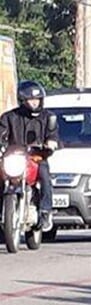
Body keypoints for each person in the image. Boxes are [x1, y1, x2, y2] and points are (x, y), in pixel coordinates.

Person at [0, 80, 59, 231]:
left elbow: (53, 136)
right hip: (13, 158)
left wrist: (51, 143)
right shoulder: (9, 117)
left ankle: (46, 211)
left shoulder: (47, 117)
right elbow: (2, 134)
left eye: (37, 99)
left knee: (45, 176)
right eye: (30, 100)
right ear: (23, 100)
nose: (34, 103)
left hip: (36, 158)